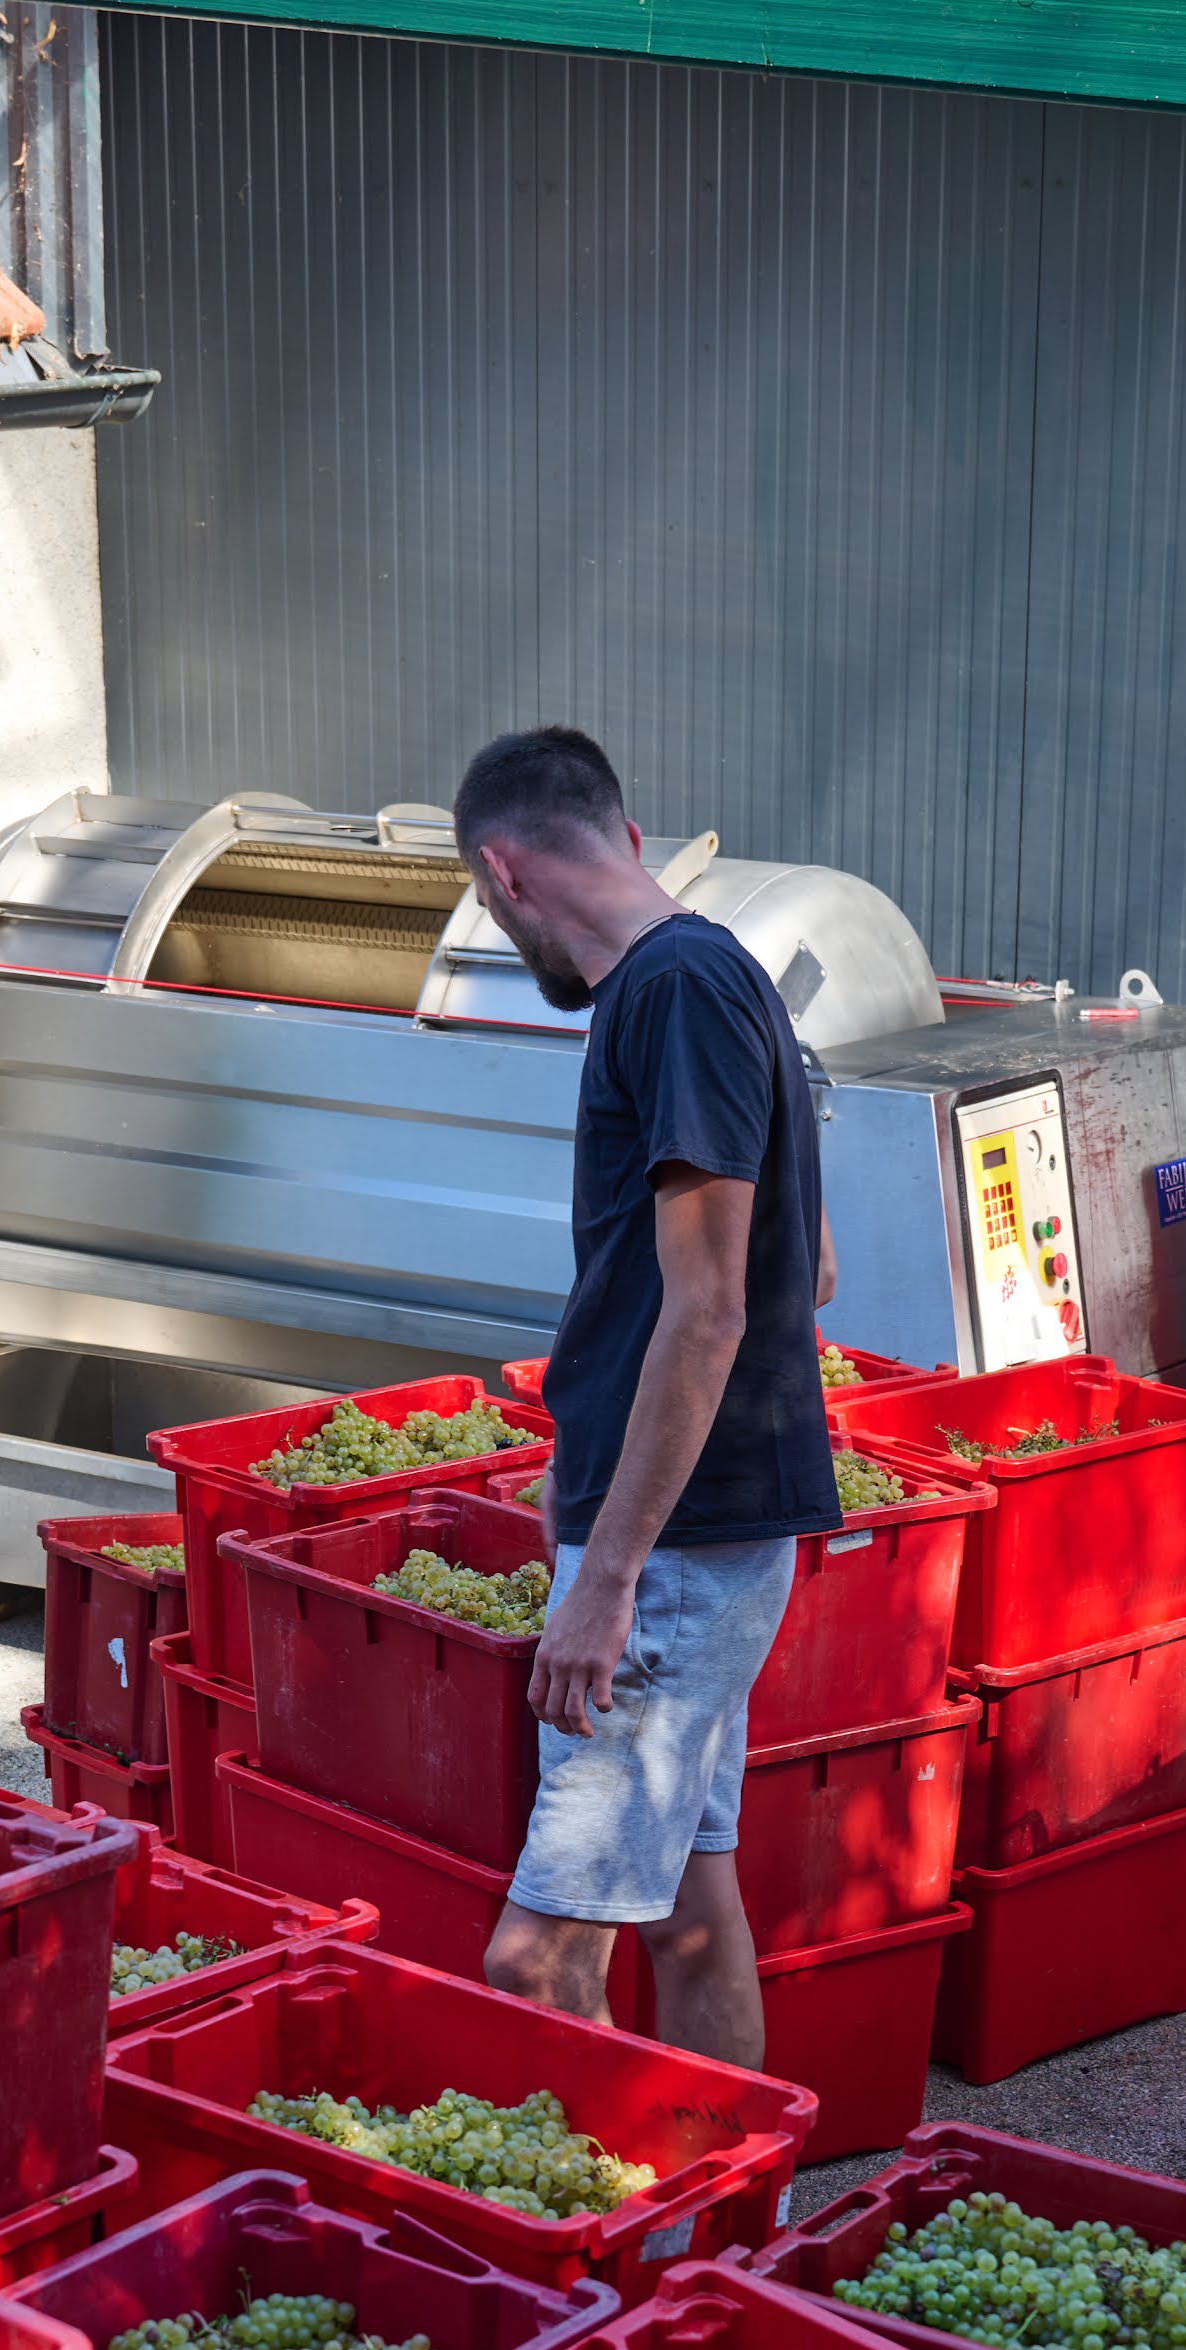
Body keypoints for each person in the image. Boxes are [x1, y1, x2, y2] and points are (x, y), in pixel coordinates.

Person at [457, 726, 837, 2072]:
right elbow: (812, 1268)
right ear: (624, 837)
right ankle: (725, 2196)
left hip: (674, 1550)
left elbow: (714, 1303)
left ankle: (614, 2208)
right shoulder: (720, 977)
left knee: (536, 1958)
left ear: (503, 874)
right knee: (686, 1914)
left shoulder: (670, 993)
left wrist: (609, 1573)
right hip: (707, 1527)